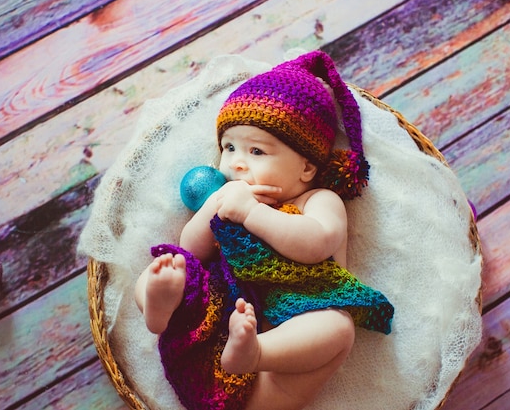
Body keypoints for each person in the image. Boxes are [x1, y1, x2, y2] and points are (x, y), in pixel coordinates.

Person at [134, 50, 394, 410]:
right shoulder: (227, 198)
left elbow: (316, 244)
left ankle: (256, 353)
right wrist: (216, 206)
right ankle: (157, 309)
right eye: (228, 147)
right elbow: (192, 247)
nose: (236, 161)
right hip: (214, 328)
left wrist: (252, 212)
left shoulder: (317, 200)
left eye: (257, 151)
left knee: (338, 330)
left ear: (305, 167)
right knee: (172, 266)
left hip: (276, 369)